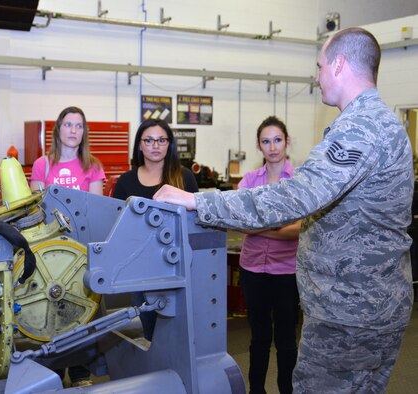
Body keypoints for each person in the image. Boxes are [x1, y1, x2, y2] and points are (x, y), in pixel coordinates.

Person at [154, 27, 414, 393]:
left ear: (339, 65)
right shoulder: (383, 122)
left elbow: (293, 197)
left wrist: (198, 200)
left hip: (350, 312)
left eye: (320, 65)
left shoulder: (360, 127)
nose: (317, 76)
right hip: (370, 304)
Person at [30, 106, 105, 387]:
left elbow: (96, 212)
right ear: (58, 129)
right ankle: (55, 369)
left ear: (84, 132)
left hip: (82, 252)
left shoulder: (93, 166)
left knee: (82, 312)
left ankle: (81, 370)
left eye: (79, 126)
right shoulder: (43, 165)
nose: (74, 131)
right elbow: (36, 211)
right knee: (54, 311)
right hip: (51, 253)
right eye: (68, 125)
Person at [113, 118, 198, 341]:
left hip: (177, 266)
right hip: (140, 268)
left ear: (169, 144)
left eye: (161, 140)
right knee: (150, 329)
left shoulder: (184, 177)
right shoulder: (125, 181)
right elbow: (117, 226)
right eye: (149, 140)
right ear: (140, 145)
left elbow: (195, 222)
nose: (155, 145)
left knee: (181, 330)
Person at [237, 116, 300, 394]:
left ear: (287, 141)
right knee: (259, 338)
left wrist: (258, 227)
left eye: (277, 140)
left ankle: (287, 389)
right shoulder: (249, 180)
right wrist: (277, 226)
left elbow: (297, 230)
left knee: (286, 339)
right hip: (253, 271)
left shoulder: (299, 181)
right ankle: (257, 390)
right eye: (266, 141)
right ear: (259, 146)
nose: (272, 147)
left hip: (287, 272)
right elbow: (239, 222)